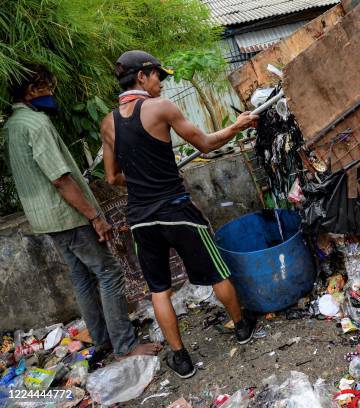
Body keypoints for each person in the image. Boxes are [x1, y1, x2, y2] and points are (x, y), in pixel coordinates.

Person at [101, 50, 259, 379]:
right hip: (177, 209)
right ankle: (242, 327)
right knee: (217, 273)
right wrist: (238, 125)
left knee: (159, 290)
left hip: (141, 219)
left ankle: (181, 359)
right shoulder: (160, 108)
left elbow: (112, 177)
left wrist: (143, 180)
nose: (161, 83)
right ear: (141, 77)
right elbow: (204, 144)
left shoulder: (108, 122)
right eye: (158, 75)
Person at [3, 64, 161, 361]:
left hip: (45, 218)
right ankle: (125, 346)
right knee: (110, 273)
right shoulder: (36, 125)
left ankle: (102, 339)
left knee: (82, 277)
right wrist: (94, 216)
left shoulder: (13, 124)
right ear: (33, 90)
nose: (52, 94)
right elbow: (60, 179)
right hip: (66, 214)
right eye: (49, 88)